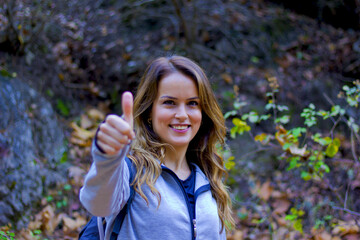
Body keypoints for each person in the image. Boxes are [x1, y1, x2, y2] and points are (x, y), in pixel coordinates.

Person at [80, 56, 234, 240]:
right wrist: (108, 157)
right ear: (149, 112)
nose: (182, 115)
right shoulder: (131, 173)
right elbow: (97, 203)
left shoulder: (208, 178)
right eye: (170, 102)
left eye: (192, 103)